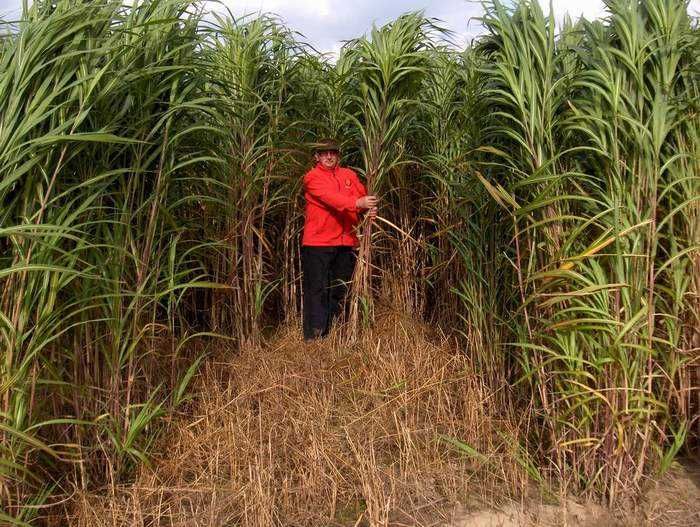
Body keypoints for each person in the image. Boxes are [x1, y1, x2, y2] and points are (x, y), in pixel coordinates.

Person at [301, 139, 378, 340]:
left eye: (333, 152)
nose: (329, 156)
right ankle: (315, 336)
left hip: (345, 242)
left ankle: (335, 333)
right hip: (318, 242)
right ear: (317, 156)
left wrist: (368, 207)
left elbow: (362, 199)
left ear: (338, 155)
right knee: (316, 289)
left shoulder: (349, 175)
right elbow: (332, 200)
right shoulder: (312, 177)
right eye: (324, 153)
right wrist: (357, 202)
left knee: (341, 288)